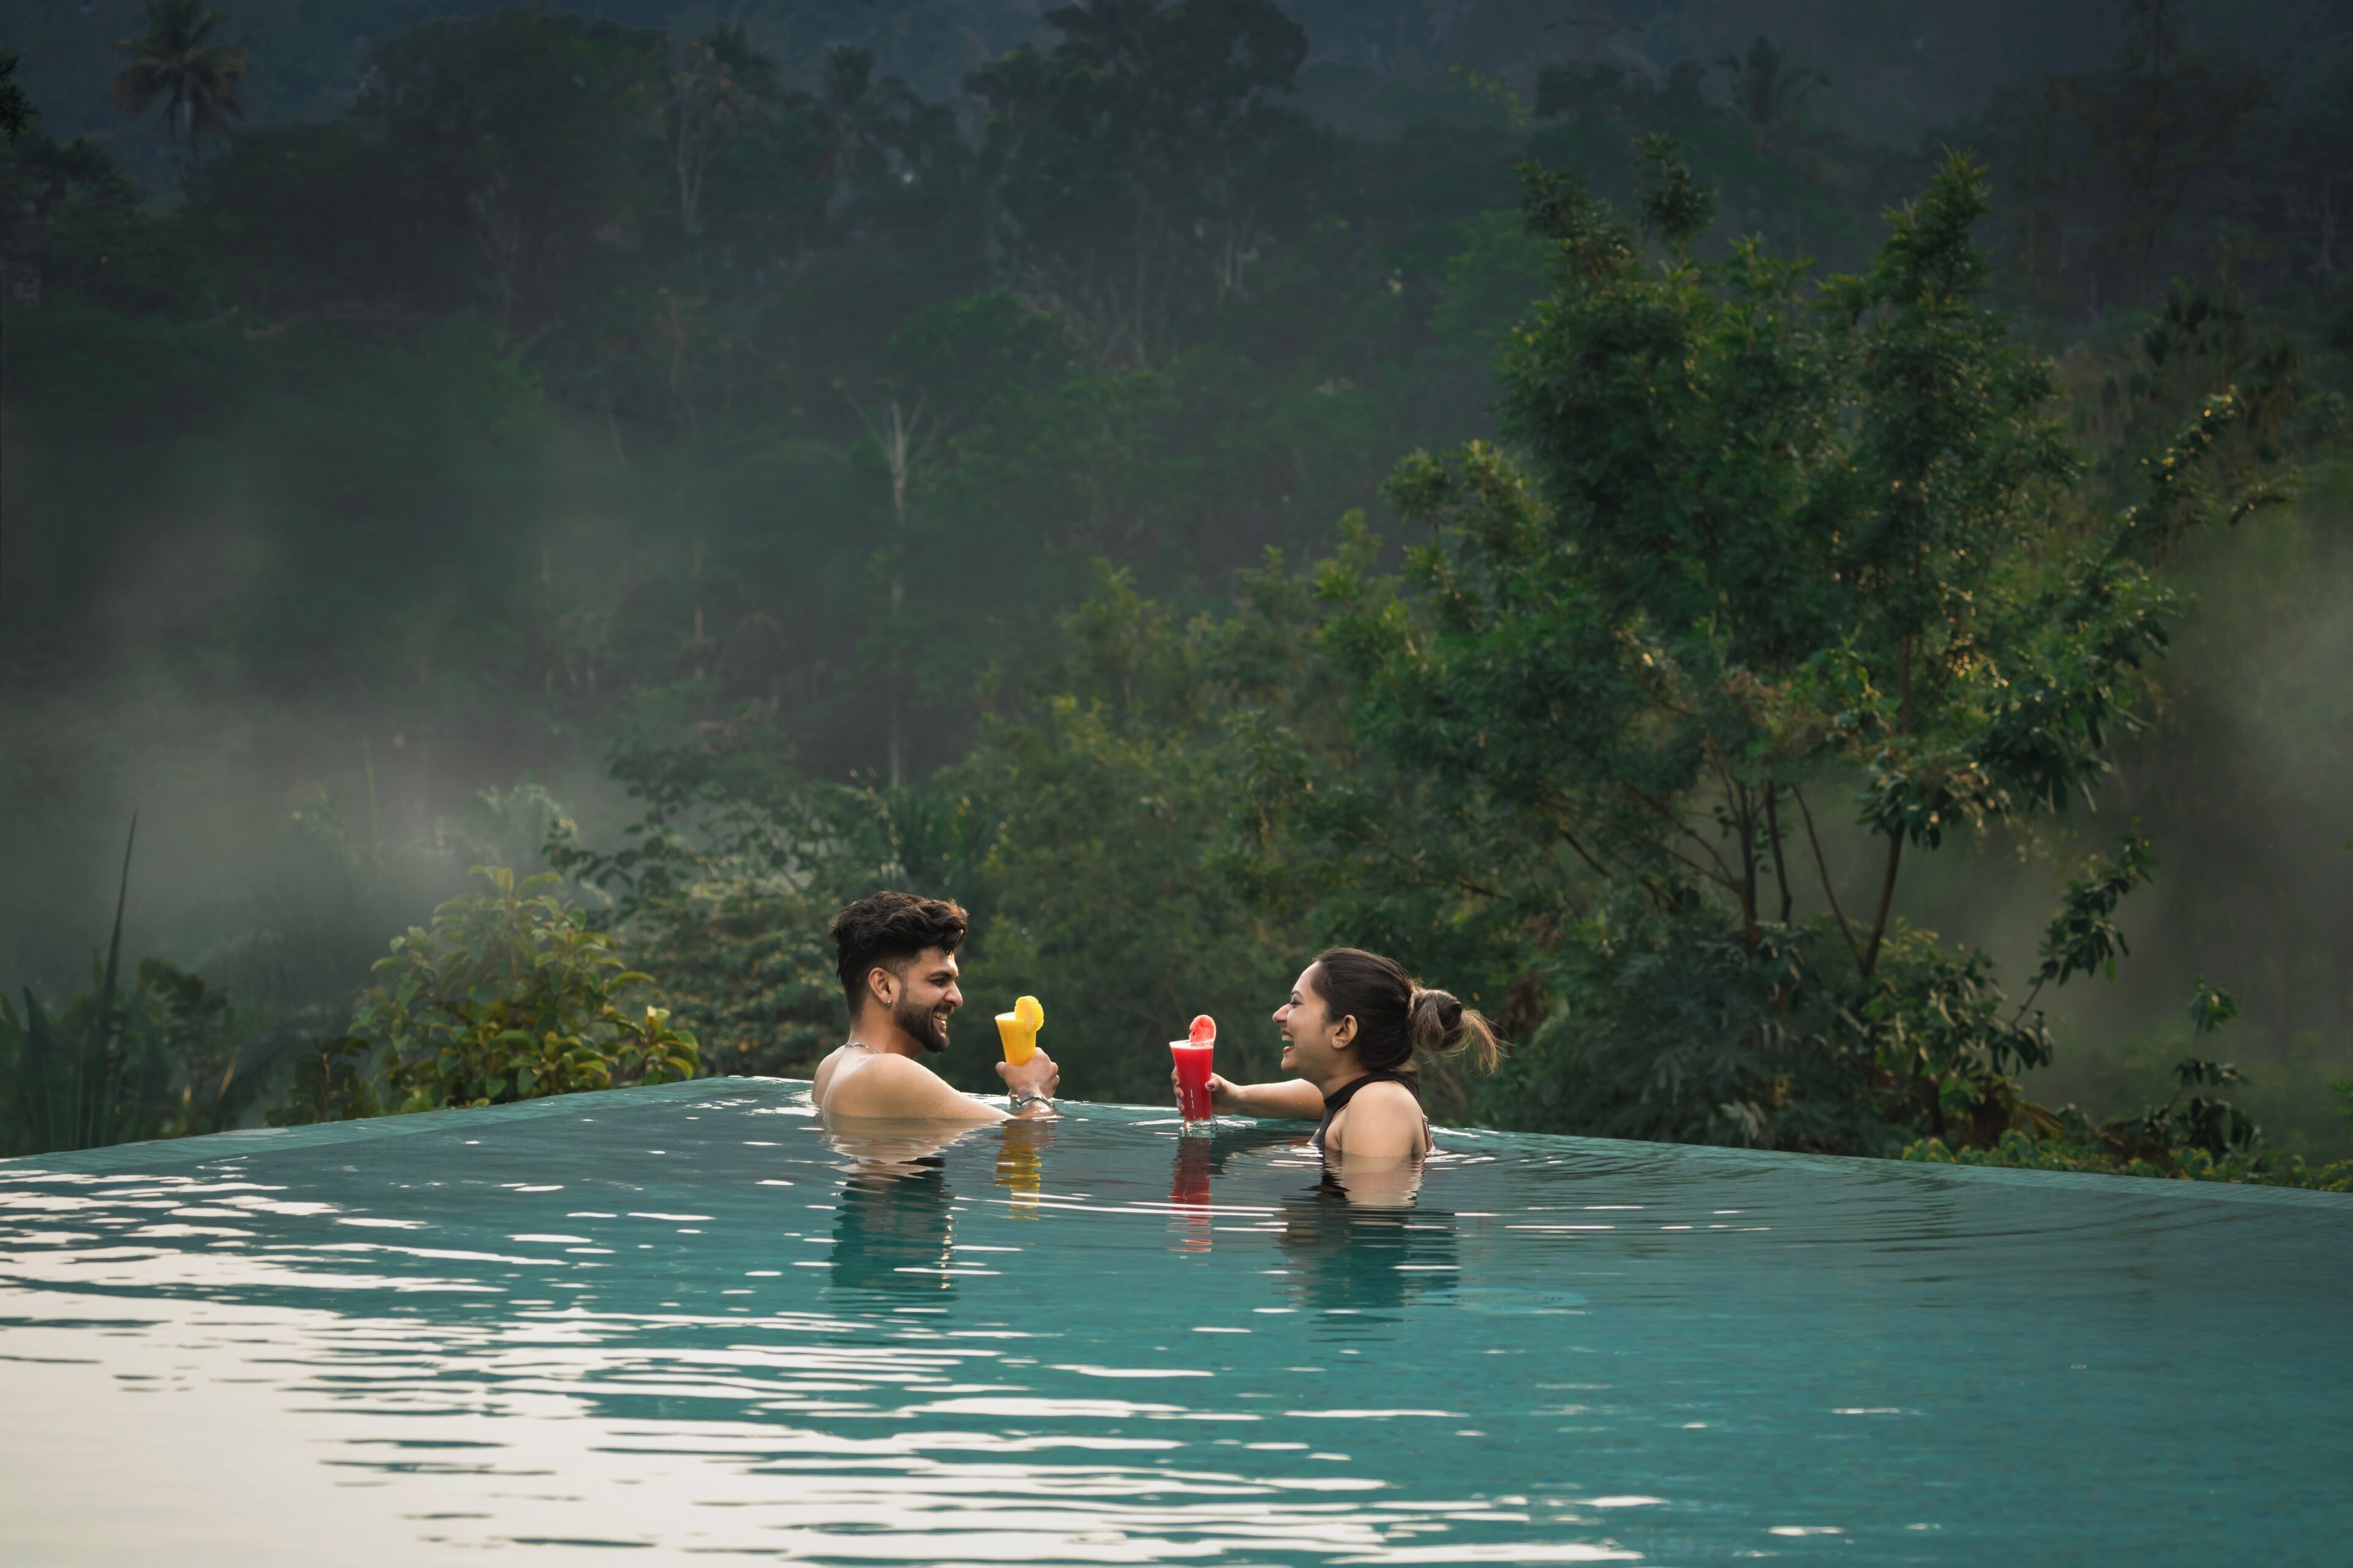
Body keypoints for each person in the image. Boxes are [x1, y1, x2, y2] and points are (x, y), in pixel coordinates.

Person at [1186, 947, 1497, 1161]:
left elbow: (1372, 1231)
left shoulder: (1379, 1104)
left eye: (1296, 1003)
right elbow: (1320, 1098)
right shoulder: (1364, 1097)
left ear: (1343, 1031)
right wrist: (1236, 1097)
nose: (1279, 1015)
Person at [809, 890, 1059, 1120]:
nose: (957, 998)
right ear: (883, 986)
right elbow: (1026, 1138)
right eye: (939, 981)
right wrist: (1034, 1091)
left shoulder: (831, 1067)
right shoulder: (886, 1073)